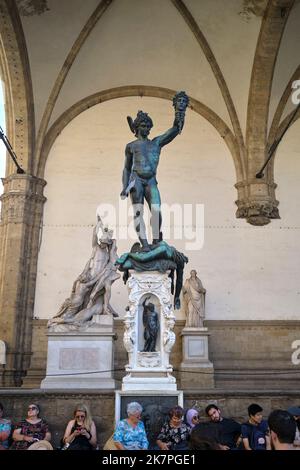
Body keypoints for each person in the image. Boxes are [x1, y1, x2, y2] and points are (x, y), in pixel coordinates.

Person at [120, 91, 189, 251]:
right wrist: (124, 187)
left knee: (156, 210)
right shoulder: (131, 146)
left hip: (151, 180)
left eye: (148, 126)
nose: (146, 129)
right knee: (138, 213)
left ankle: (157, 240)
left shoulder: (156, 143)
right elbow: (126, 168)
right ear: (136, 128)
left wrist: (180, 112)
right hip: (135, 180)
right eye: (143, 126)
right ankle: (144, 244)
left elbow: (174, 131)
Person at [49, 216, 120, 327]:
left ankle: (78, 317)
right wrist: (98, 225)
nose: (102, 244)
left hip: (97, 279)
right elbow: (94, 236)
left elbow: (113, 262)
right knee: (78, 300)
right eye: (102, 241)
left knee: (94, 297)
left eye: (105, 242)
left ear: (107, 244)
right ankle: (64, 317)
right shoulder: (96, 248)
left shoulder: (107, 254)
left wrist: (113, 243)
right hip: (90, 276)